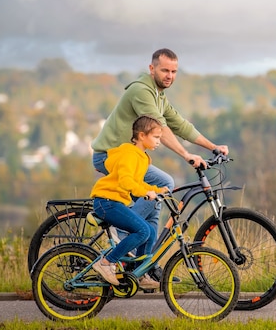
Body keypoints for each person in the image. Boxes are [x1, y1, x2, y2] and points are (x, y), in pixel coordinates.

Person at [90, 48, 229, 279]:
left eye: (174, 71)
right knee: (165, 182)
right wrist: (187, 155)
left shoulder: (158, 96)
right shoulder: (141, 91)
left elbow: (181, 125)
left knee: (158, 196)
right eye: (165, 70)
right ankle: (126, 239)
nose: (169, 75)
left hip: (130, 158)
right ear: (152, 68)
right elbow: (160, 128)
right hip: (111, 156)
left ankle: (143, 267)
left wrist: (212, 147)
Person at [90, 115, 168, 289]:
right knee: (142, 231)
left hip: (116, 202)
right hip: (107, 201)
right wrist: (145, 193)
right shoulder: (129, 154)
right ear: (141, 136)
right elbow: (126, 182)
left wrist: (156, 190)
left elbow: (138, 182)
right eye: (156, 137)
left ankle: (138, 272)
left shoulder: (141, 156)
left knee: (149, 231)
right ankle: (106, 262)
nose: (159, 142)